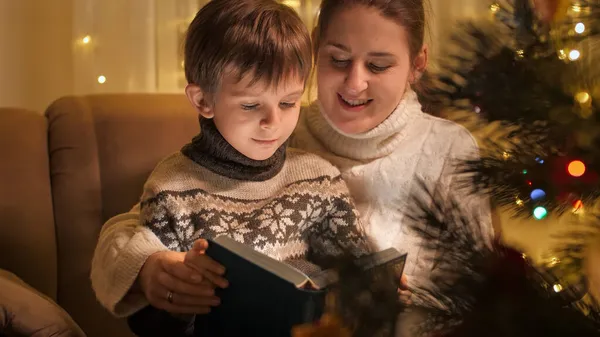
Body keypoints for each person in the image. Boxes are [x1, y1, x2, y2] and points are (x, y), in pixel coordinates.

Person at [91, 0, 492, 330]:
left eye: (378, 66)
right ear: (316, 48)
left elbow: (480, 296)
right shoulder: (276, 139)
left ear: (417, 64)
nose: (354, 83)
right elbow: (136, 228)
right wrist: (149, 268)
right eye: (337, 59)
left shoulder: (447, 150)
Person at [92, 0, 376, 335]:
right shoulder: (172, 187)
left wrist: (376, 286)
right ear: (203, 101)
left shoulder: (319, 179)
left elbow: (356, 269)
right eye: (251, 105)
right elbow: (153, 322)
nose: (273, 121)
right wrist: (179, 295)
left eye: (288, 102)